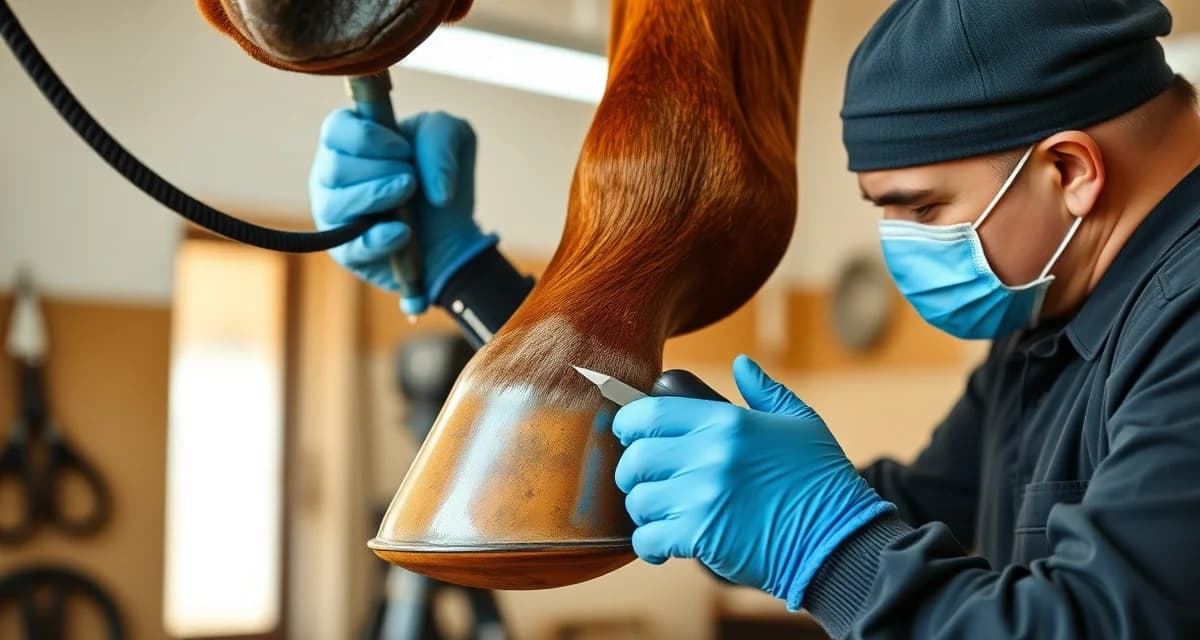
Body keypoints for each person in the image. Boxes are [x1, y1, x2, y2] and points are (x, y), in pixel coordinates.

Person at [309, 0, 1200, 636]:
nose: (904, 248)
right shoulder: (1049, 322)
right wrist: (472, 278)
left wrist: (820, 541)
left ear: (1072, 172)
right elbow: (923, 517)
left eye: (923, 209)